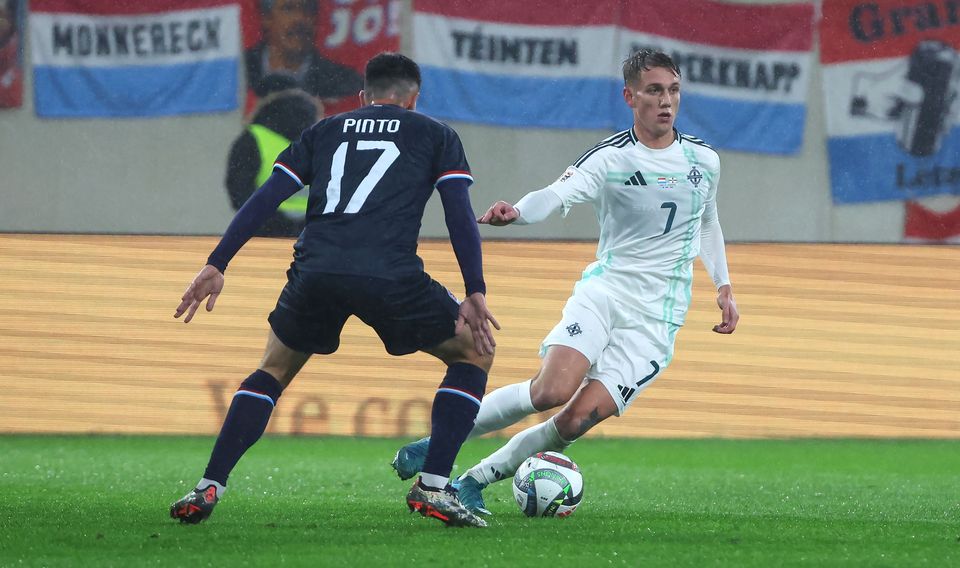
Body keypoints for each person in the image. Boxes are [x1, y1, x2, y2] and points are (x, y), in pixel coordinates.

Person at [391, 49, 739, 514]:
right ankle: (438, 443)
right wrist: (516, 212)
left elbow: (707, 221)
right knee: (549, 391)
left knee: (574, 420)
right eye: (654, 90)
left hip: (657, 319)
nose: (666, 101)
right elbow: (556, 193)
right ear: (630, 96)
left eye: (673, 90)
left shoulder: (704, 160)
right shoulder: (611, 159)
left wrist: (723, 285)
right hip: (606, 294)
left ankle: (473, 481)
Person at [170, 52, 498, 528]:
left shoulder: (325, 130)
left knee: (272, 370)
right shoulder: (435, 133)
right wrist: (475, 289)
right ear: (413, 98)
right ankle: (433, 486)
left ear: (364, 96)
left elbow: (266, 197)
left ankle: (207, 488)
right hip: (390, 274)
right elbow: (457, 213)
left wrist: (218, 262)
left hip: (316, 269)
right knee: (474, 353)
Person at [226, 81, 322, 237]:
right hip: (316, 236)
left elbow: (239, 191)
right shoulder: (322, 137)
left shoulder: (252, 139)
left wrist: (271, 223)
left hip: (267, 236)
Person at [244, 0, 362, 102]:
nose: (300, 18)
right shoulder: (238, 72)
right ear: (266, 18)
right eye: (288, 8)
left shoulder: (345, 83)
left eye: (307, 9)